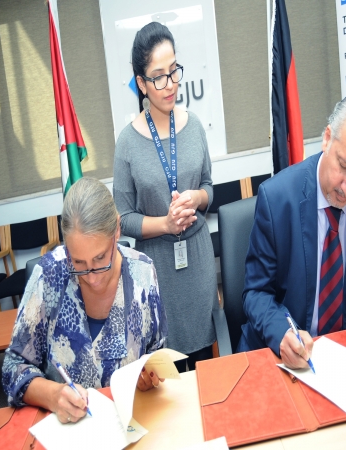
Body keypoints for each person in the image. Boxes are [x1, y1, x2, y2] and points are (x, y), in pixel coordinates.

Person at [238, 90, 346, 369]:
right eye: (344, 166)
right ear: (327, 138)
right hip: (276, 357)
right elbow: (255, 293)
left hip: (341, 360)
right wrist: (281, 332)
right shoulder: (277, 199)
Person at [2, 177, 167, 423]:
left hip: (131, 424)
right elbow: (12, 367)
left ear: (117, 230)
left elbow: (157, 353)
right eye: (78, 262)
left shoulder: (142, 272)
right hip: (67, 429)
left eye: (100, 259)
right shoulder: (49, 276)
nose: (91, 277)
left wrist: (148, 375)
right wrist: (53, 395)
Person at [113, 22, 217, 371]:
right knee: (168, 373)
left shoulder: (195, 125)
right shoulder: (127, 142)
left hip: (198, 259)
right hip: (156, 269)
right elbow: (123, 217)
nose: (170, 84)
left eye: (173, 71)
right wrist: (166, 224)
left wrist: (197, 198)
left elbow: (209, 187)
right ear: (141, 83)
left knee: (205, 369)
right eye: (158, 77)